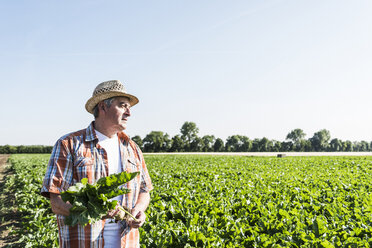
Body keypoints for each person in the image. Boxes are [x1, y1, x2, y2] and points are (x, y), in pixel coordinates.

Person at [41, 80, 153, 248]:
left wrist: (139, 210)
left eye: (129, 107)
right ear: (103, 107)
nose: (129, 113)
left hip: (127, 242)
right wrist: (96, 211)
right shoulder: (69, 144)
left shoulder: (132, 148)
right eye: (122, 106)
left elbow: (145, 189)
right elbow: (56, 201)